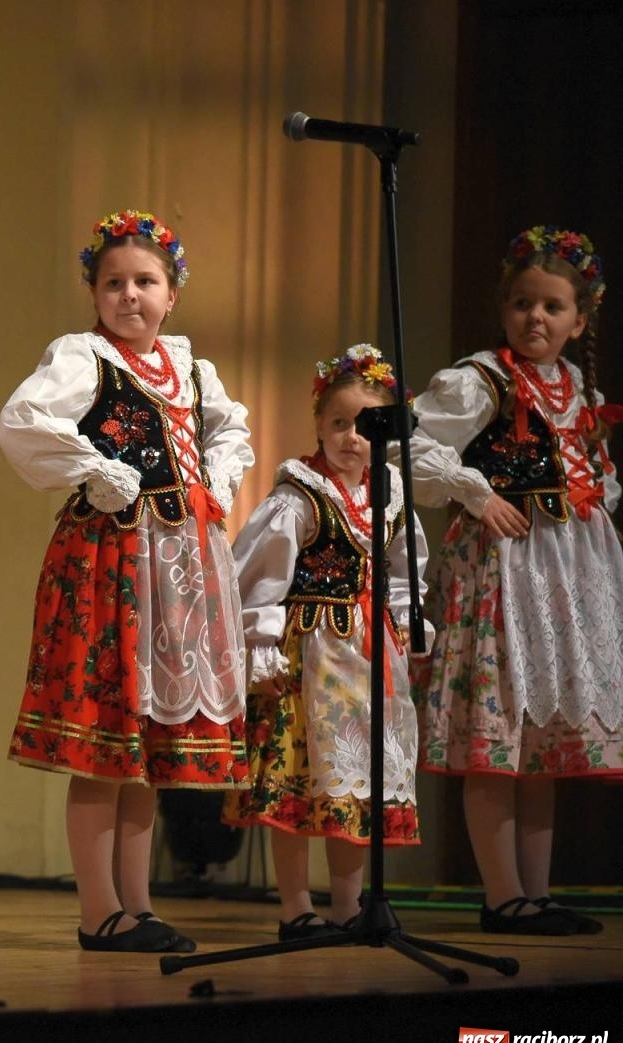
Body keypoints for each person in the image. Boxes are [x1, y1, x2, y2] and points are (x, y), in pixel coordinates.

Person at [0, 209, 253, 953]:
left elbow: (229, 430)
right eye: (114, 283)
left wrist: (223, 472)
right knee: (105, 743)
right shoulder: (83, 358)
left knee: (146, 751)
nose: (129, 296)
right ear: (94, 292)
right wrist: (92, 470)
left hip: (177, 565)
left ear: (172, 293)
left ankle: (136, 904)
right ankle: (97, 908)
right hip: (109, 564)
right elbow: (26, 420)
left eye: (145, 282)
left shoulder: (193, 370)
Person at [411, 226, 618, 935]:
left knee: (540, 739)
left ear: (579, 320)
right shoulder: (480, 381)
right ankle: (502, 896)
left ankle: (534, 891)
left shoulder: (575, 387)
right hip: (498, 576)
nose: (537, 317)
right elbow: (411, 446)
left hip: (558, 583)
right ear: (504, 310)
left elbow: (594, 473)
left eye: (553, 306)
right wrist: (475, 493)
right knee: (495, 736)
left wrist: (593, 517)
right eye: (524, 303)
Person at [225, 344, 429, 940]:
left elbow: (402, 572)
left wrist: (408, 623)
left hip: (370, 661)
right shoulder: (299, 496)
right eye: (338, 423)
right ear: (318, 421)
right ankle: (295, 909)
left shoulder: (390, 500)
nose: (350, 437)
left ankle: (348, 906)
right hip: (308, 656)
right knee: (296, 777)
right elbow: (260, 571)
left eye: (365, 426)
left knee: (356, 787)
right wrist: (261, 637)